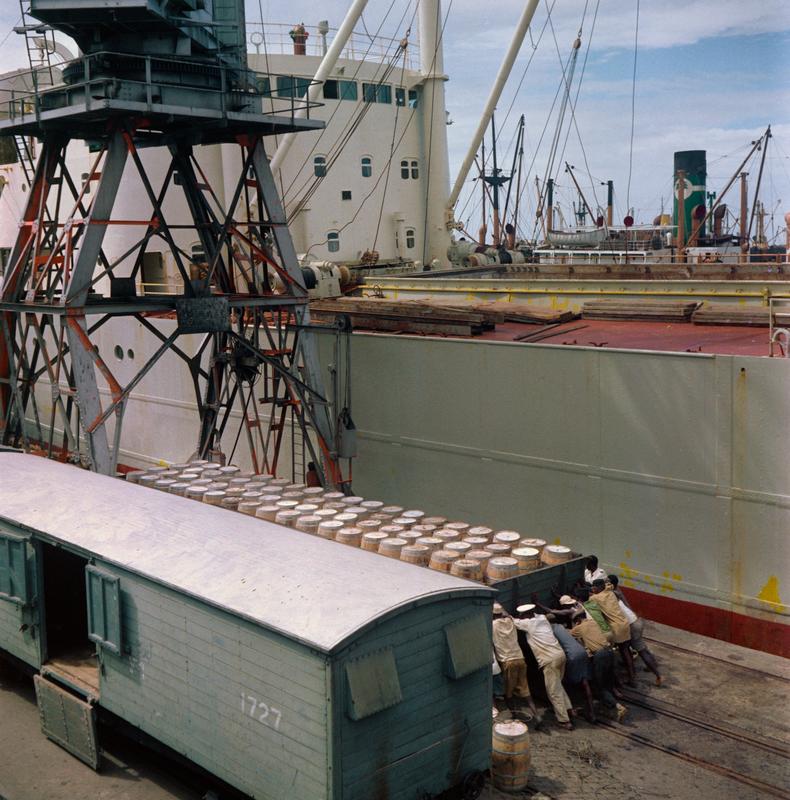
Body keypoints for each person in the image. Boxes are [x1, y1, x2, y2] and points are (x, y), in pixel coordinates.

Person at [513, 604, 574, 730]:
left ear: (526, 615)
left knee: (553, 691)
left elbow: (512, 620)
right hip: (560, 655)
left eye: (522, 615)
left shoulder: (528, 624)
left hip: (549, 660)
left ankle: (564, 721)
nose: (521, 617)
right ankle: (569, 709)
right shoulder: (542, 618)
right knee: (558, 685)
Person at [570, 613, 628, 721]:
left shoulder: (579, 627)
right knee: (608, 680)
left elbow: (568, 635)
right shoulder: (594, 622)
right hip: (610, 651)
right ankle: (609, 702)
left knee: (598, 685)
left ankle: (617, 706)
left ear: (577, 620)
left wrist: (573, 627)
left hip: (600, 656)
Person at [608, 574, 662, 686]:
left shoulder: (611, 595)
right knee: (641, 648)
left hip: (633, 625)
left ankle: (656, 675)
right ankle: (652, 666)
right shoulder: (617, 593)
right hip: (636, 621)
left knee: (637, 650)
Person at [491, 603, 539, 718]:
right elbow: (507, 614)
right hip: (520, 658)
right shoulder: (510, 621)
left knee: (508, 692)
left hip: (508, 662)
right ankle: (537, 716)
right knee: (525, 689)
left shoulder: (492, 625)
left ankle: (515, 716)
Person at [590, 579, 636, 684]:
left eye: (593, 587)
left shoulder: (594, 598)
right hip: (624, 623)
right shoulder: (609, 592)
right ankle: (632, 675)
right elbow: (608, 585)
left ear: (597, 588)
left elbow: (590, 605)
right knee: (626, 651)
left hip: (616, 628)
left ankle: (620, 680)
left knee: (614, 654)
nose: (592, 589)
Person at [551, 621, 595, 722]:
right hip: (581, 652)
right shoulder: (560, 626)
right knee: (585, 681)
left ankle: (570, 708)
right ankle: (591, 711)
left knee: (564, 681)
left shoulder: (550, 630)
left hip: (572, 656)